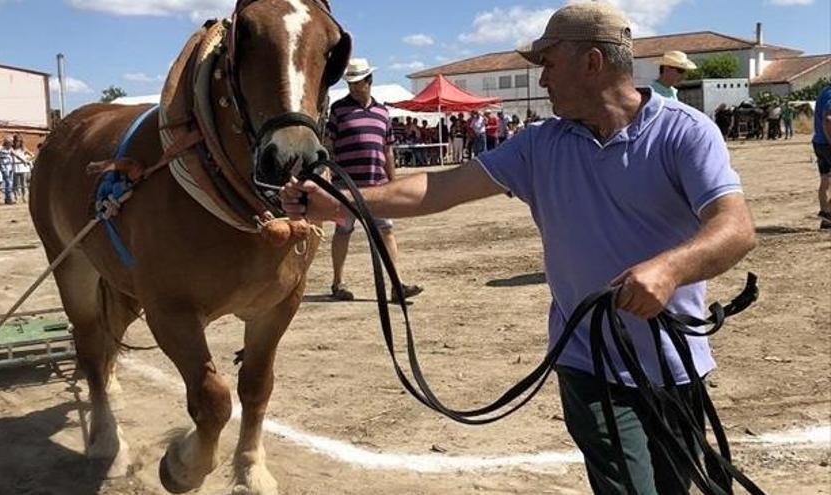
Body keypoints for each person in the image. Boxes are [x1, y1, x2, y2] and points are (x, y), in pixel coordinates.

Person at [282, 4, 756, 494]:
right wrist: (340, 203)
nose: (543, 79)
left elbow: (735, 227)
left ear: (592, 62)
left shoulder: (684, 132)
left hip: (672, 364)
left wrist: (670, 270)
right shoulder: (539, 145)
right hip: (587, 361)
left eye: (549, 63)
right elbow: (439, 189)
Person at [324, 58, 423, 301]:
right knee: (343, 231)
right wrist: (333, 175)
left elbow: (387, 150)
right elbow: (328, 145)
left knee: (386, 231)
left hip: (377, 185)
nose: (353, 88)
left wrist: (393, 182)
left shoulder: (382, 112)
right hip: (346, 186)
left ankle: (396, 285)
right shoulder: (338, 110)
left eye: (358, 83)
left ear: (369, 81)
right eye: (351, 83)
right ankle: (338, 283)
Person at [813, 85, 831, 229]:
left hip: (818, 142)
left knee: (825, 178)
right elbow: (828, 119)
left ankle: (826, 215)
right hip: (827, 143)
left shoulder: (824, 91)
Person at [0, 136, 15, 204]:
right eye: (11, 142)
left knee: (10, 182)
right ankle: (8, 198)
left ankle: (7, 198)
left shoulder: (10, 149)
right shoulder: (0, 148)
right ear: (7, 142)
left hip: (10, 167)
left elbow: (15, 155)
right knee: (8, 182)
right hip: (3, 167)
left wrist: (24, 161)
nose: (12, 144)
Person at [12, 138, 34, 203]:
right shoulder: (12, 149)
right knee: (15, 184)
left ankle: (24, 197)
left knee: (23, 183)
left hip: (23, 168)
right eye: (16, 141)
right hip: (15, 168)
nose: (17, 143)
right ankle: (16, 197)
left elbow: (32, 155)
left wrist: (27, 160)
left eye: (18, 141)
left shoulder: (23, 149)